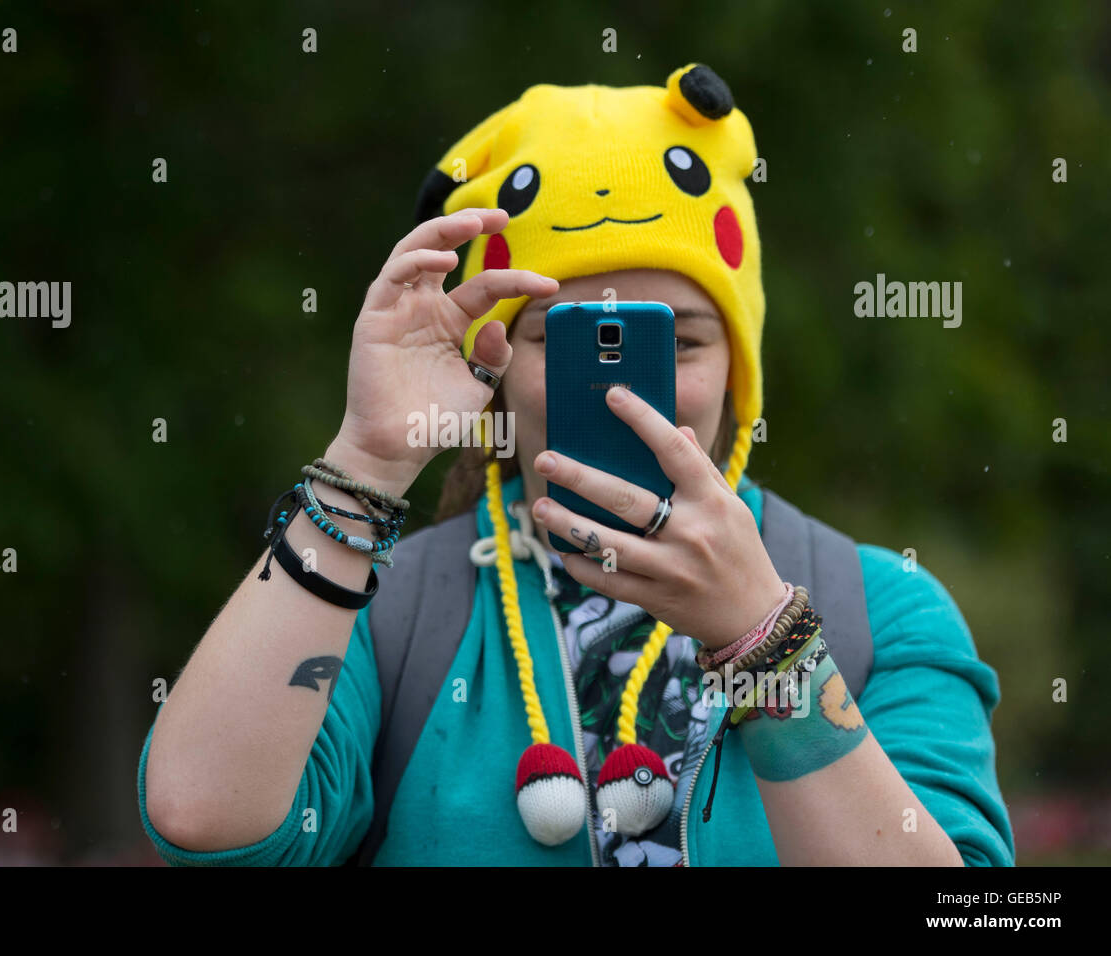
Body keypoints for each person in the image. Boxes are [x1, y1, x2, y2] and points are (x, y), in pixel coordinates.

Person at [137, 63, 1015, 866]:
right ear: (492, 364)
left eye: (679, 338)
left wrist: (765, 644)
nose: (622, 391)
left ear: (740, 373)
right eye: (564, 337)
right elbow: (201, 821)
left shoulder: (882, 613)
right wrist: (367, 457)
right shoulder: (380, 612)